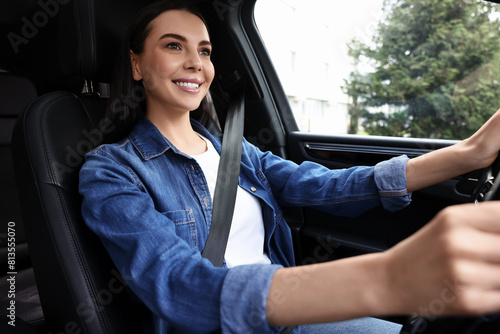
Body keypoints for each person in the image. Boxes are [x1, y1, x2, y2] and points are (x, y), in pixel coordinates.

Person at [79, 1, 500, 333]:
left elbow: (324, 186)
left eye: (204, 51)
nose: (195, 63)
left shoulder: (235, 151)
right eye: (174, 46)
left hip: (290, 318)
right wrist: (388, 277)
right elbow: (177, 284)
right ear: (137, 64)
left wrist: (468, 153)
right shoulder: (112, 170)